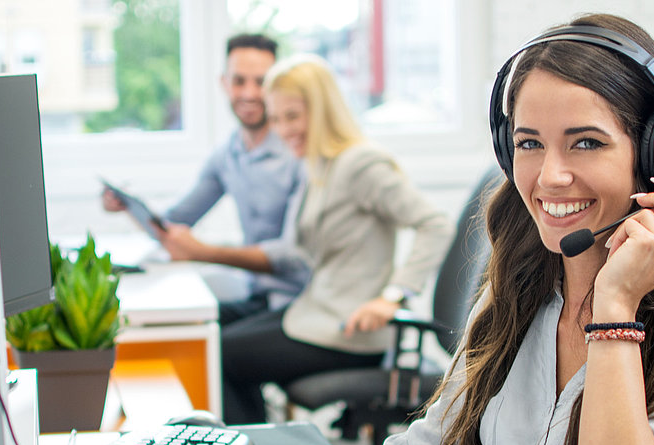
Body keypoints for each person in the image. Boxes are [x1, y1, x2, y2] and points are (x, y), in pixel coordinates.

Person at [62, 14, 654, 445]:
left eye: (585, 143)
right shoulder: (519, 304)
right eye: (528, 144)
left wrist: (614, 314)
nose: (550, 177)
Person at [158, 54, 453, 425]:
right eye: (276, 118)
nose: (282, 129)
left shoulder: (361, 164)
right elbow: (295, 248)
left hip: (349, 332)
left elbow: (434, 223)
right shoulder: (317, 165)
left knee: (220, 357)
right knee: (213, 344)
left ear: (323, 111)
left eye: (293, 117)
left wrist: (392, 296)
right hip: (317, 313)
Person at [102, 33, 305, 325]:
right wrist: (127, 206)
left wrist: (202, 252)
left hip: (296, 304)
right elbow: (175, 223)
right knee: (172, 329)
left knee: (211, 349)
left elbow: (293, 254)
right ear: (224, 83)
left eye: (260, 82)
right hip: (257, 297)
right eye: (239, 81)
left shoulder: (297, 152)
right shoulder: (228, 155)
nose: (249, 93)